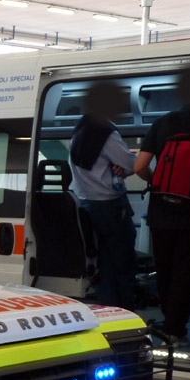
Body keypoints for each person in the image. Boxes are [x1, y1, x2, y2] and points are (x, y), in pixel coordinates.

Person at [134, 66, 190, 346]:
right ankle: (175, 329)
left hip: (161, 211)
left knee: (165, 269)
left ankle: (169, 325)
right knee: (187, 272)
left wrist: (156, 182)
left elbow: (139, 166)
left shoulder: (164, 123)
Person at [69, 81, 138, 310]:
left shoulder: (80, 128)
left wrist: (119, 166)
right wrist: (126, 166)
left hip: (89, 203)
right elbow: (131, 164)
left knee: (105, 262)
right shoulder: (106, 132)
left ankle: (110, 308)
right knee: (123, 261)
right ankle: (128, 310)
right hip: (110, 205)